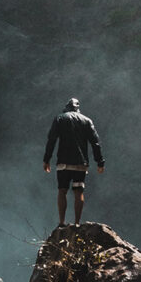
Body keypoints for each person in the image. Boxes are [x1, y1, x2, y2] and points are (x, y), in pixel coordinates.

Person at [43, 97, 105, 226]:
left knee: (62, 190)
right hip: (80, 164)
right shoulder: (86, 120)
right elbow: (95, 143)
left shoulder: (60, 118)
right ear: (78, 109)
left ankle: (61, 222)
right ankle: (77, 224)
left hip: (63, 163)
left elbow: (52, 139)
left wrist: (47, 159)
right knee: (78, 191)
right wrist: (100, 162)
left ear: (66, 108)